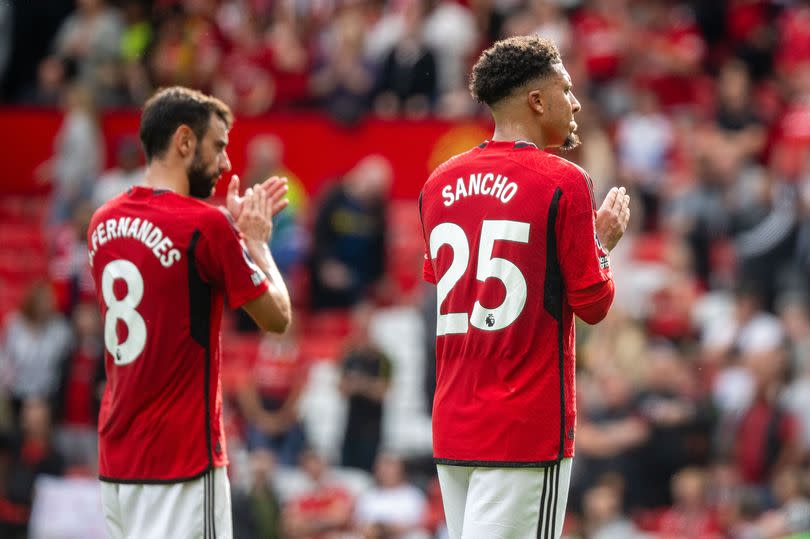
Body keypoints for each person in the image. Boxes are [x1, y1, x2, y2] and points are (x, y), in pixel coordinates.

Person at [418, 36, 630, 539]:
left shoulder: (437, 184)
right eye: (567, 88)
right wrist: (600, 243)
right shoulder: (564, 180)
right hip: (524, 429)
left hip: (453, 422)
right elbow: (594, 304)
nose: (576, 103)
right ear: (537, 100)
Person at [87, 86, 292, 539]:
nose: (225, 164)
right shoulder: (206, 224)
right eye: (218, 146)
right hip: (181, 460)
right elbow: (278, 318)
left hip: (117, 460)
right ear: (184, 141)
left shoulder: (102, 221)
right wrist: (254, 241)